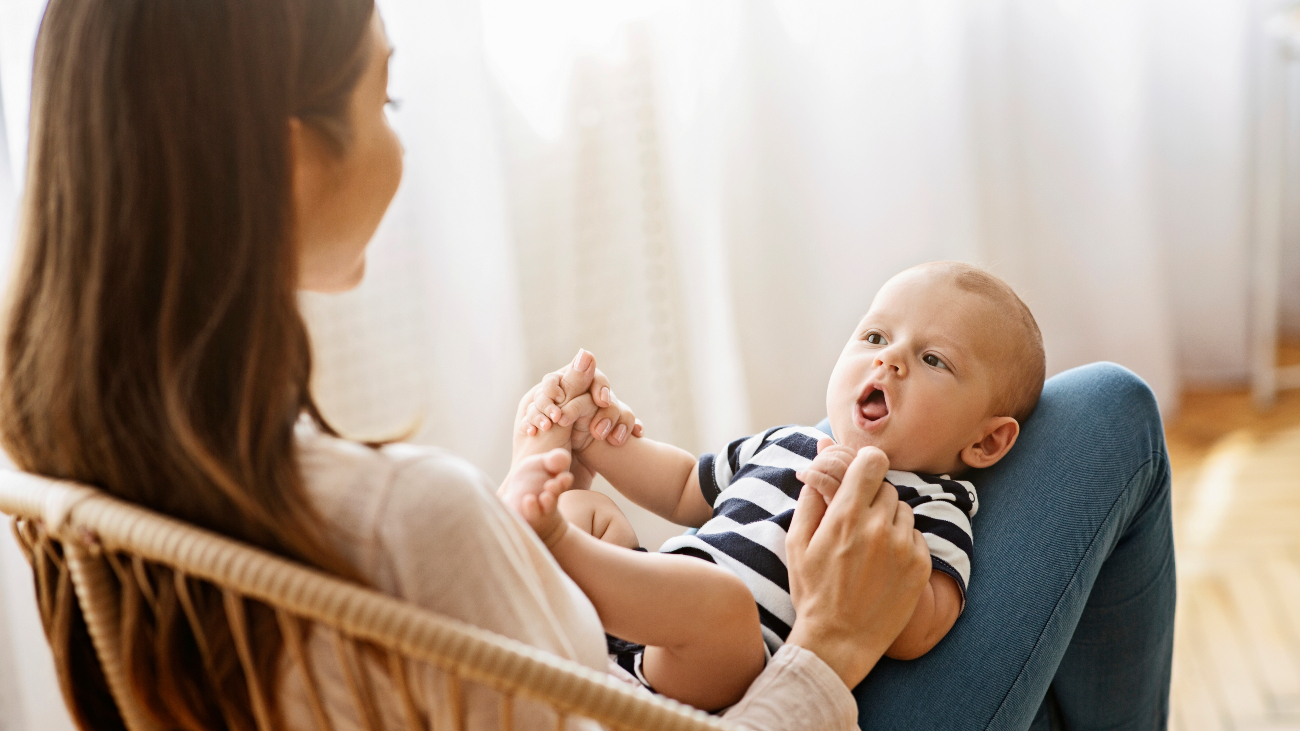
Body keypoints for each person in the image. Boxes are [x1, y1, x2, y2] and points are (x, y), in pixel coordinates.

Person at [0, 0, 1174, 729]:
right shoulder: (410, 517)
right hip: (765, 694)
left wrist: (565, 546)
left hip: (663, 664)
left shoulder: (70, 468)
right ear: (291, 162)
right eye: (386, 92)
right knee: (1110, 412)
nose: (400, 131)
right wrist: (831, 642)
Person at [503, 262, 1042, 711]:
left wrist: (848, 527)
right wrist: (596, 436)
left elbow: (919, 630)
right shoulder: (789, 442)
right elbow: (683, 487)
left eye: (933, 360)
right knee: (587, 506)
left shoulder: (934, 506)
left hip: (713, 676)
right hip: (624, 629)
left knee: (724, 607)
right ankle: (547, 528)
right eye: (875, 336)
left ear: (987, 443)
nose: (889, 358)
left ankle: (545, 543)